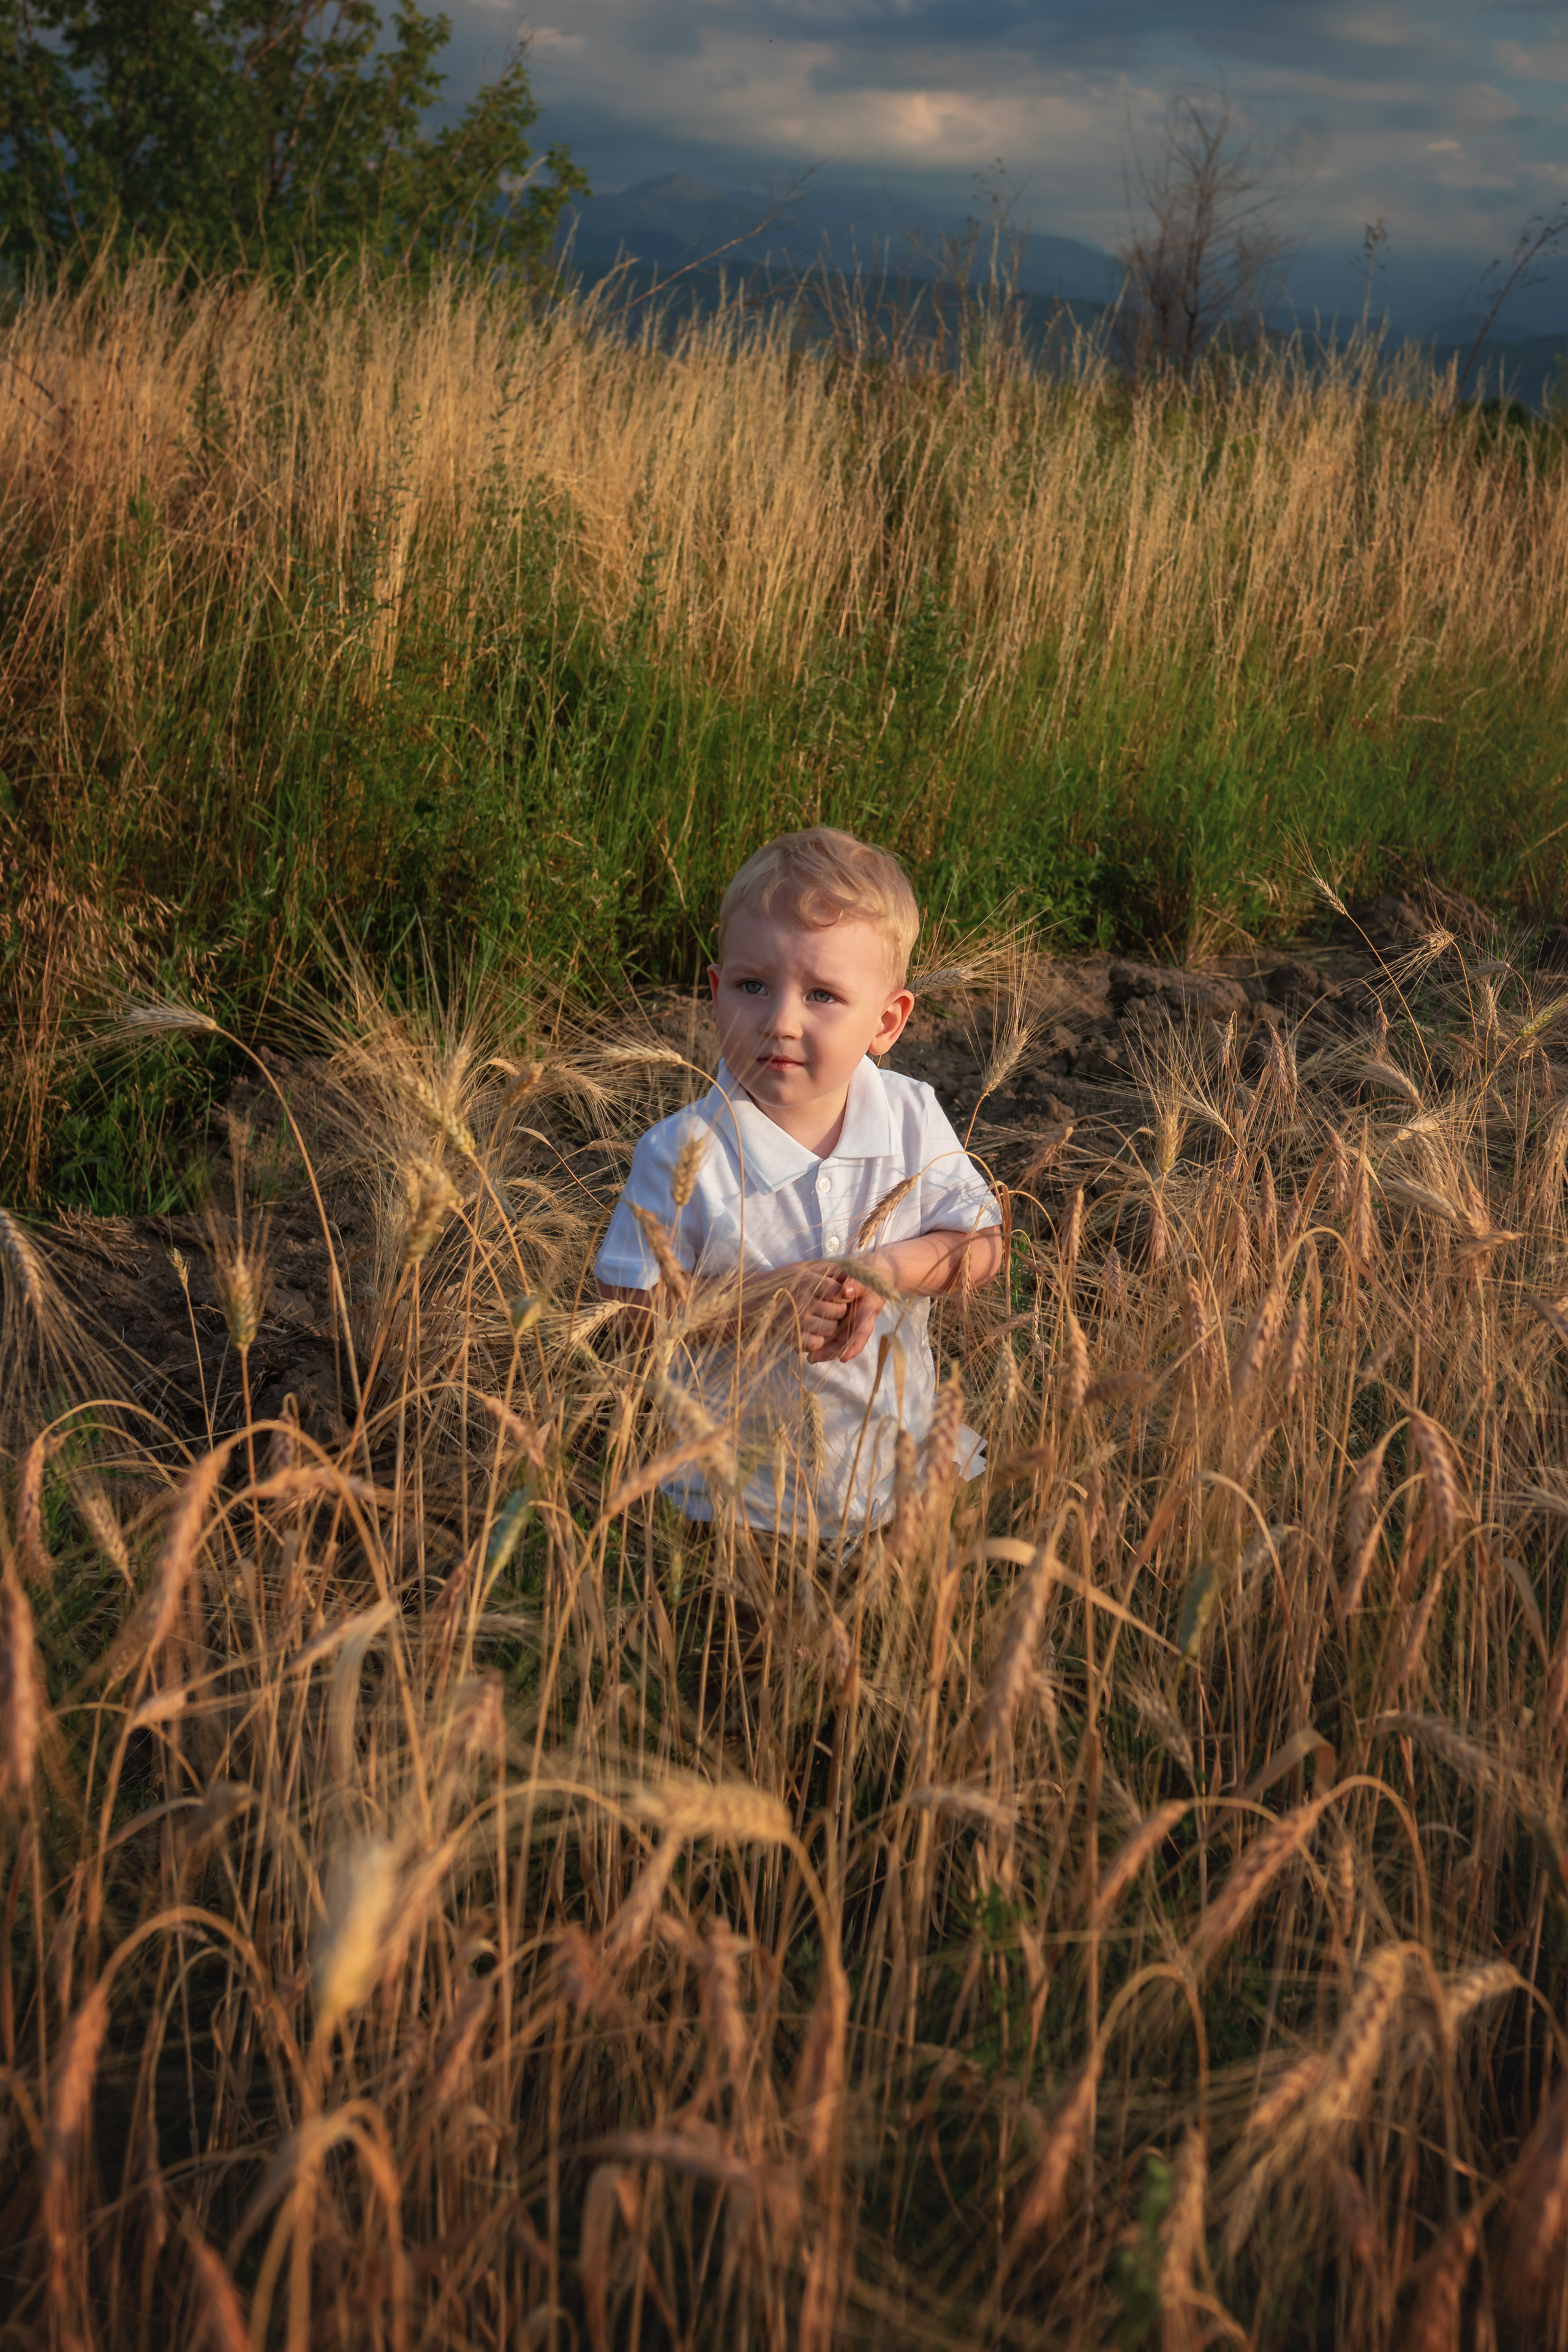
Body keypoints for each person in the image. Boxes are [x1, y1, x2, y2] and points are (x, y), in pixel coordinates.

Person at [595, 826, 1005, 1538]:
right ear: (717, 993)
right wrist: (753, 1307)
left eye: (821, 995)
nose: (780, 1021)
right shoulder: (683, 1151)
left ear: (886, 1021)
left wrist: (885, 1270)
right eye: (753, 986)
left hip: (894, 1485)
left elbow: (984, 1247)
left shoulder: (909, 1117)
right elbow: (624, 1313)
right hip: (730, 1507)